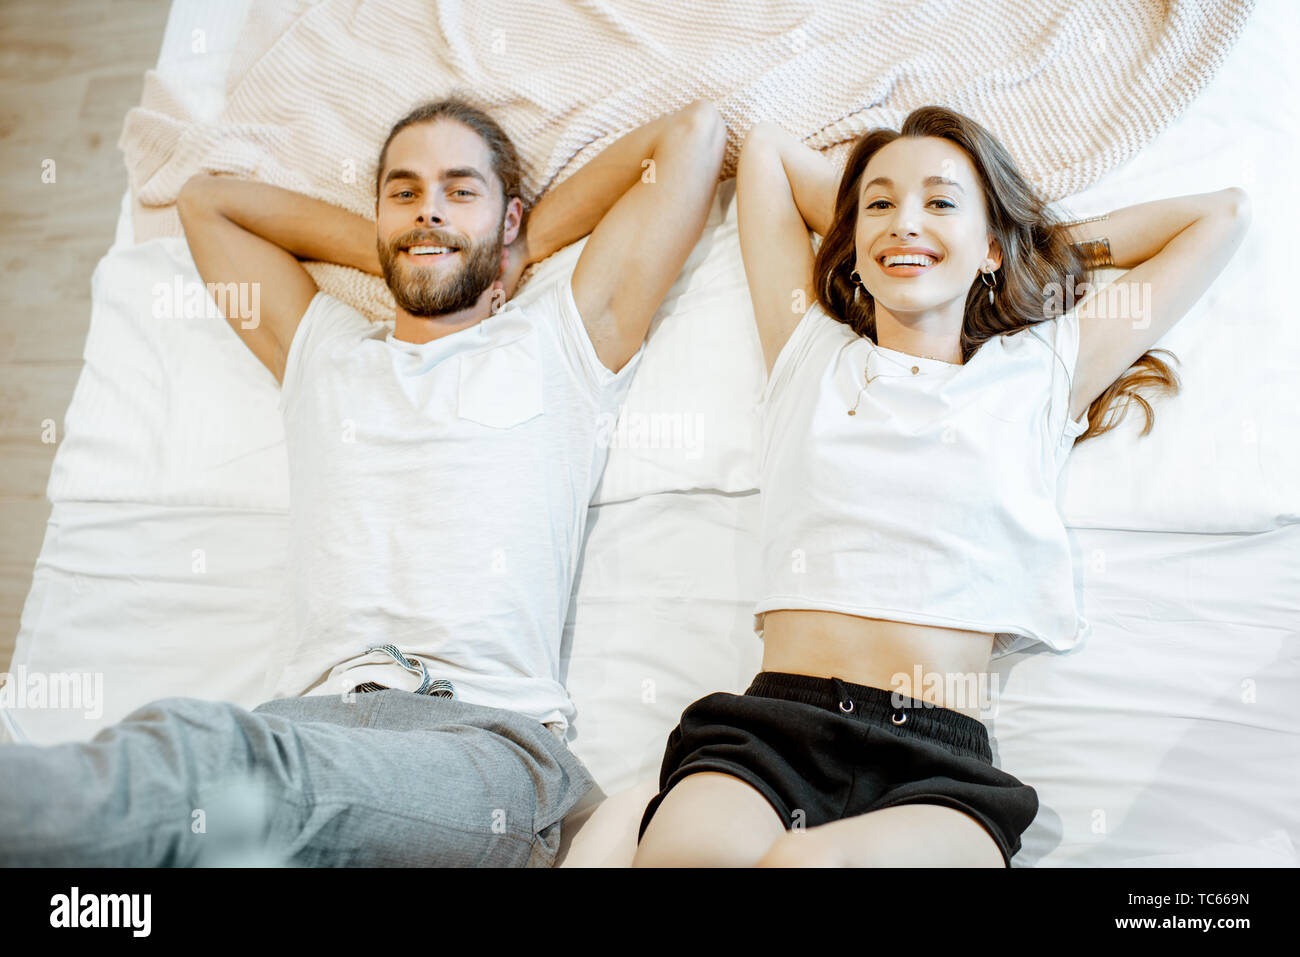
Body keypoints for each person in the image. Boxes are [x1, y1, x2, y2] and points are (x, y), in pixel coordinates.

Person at [0, 96, 726, 867]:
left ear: (509, 216)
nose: (429, 209)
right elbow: (206, 203)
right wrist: (415, 244)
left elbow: (693, 135)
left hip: (477, 747)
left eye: (460, 190)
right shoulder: (324, 349)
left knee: (207, 768)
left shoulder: (558, 341)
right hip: (301, 728)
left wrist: (499, 248)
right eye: (404, 193)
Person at [632, 105, 1250, 867]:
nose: (904, 219)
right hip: (770, 737)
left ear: (990, 244)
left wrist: (1021, 245)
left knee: (802, 865)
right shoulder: (808, 351)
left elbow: (1222, 215)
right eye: (879, 203)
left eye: (941, 200)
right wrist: (908, 231)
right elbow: (767, 152)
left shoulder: (1041, 370)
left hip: (936, 767)